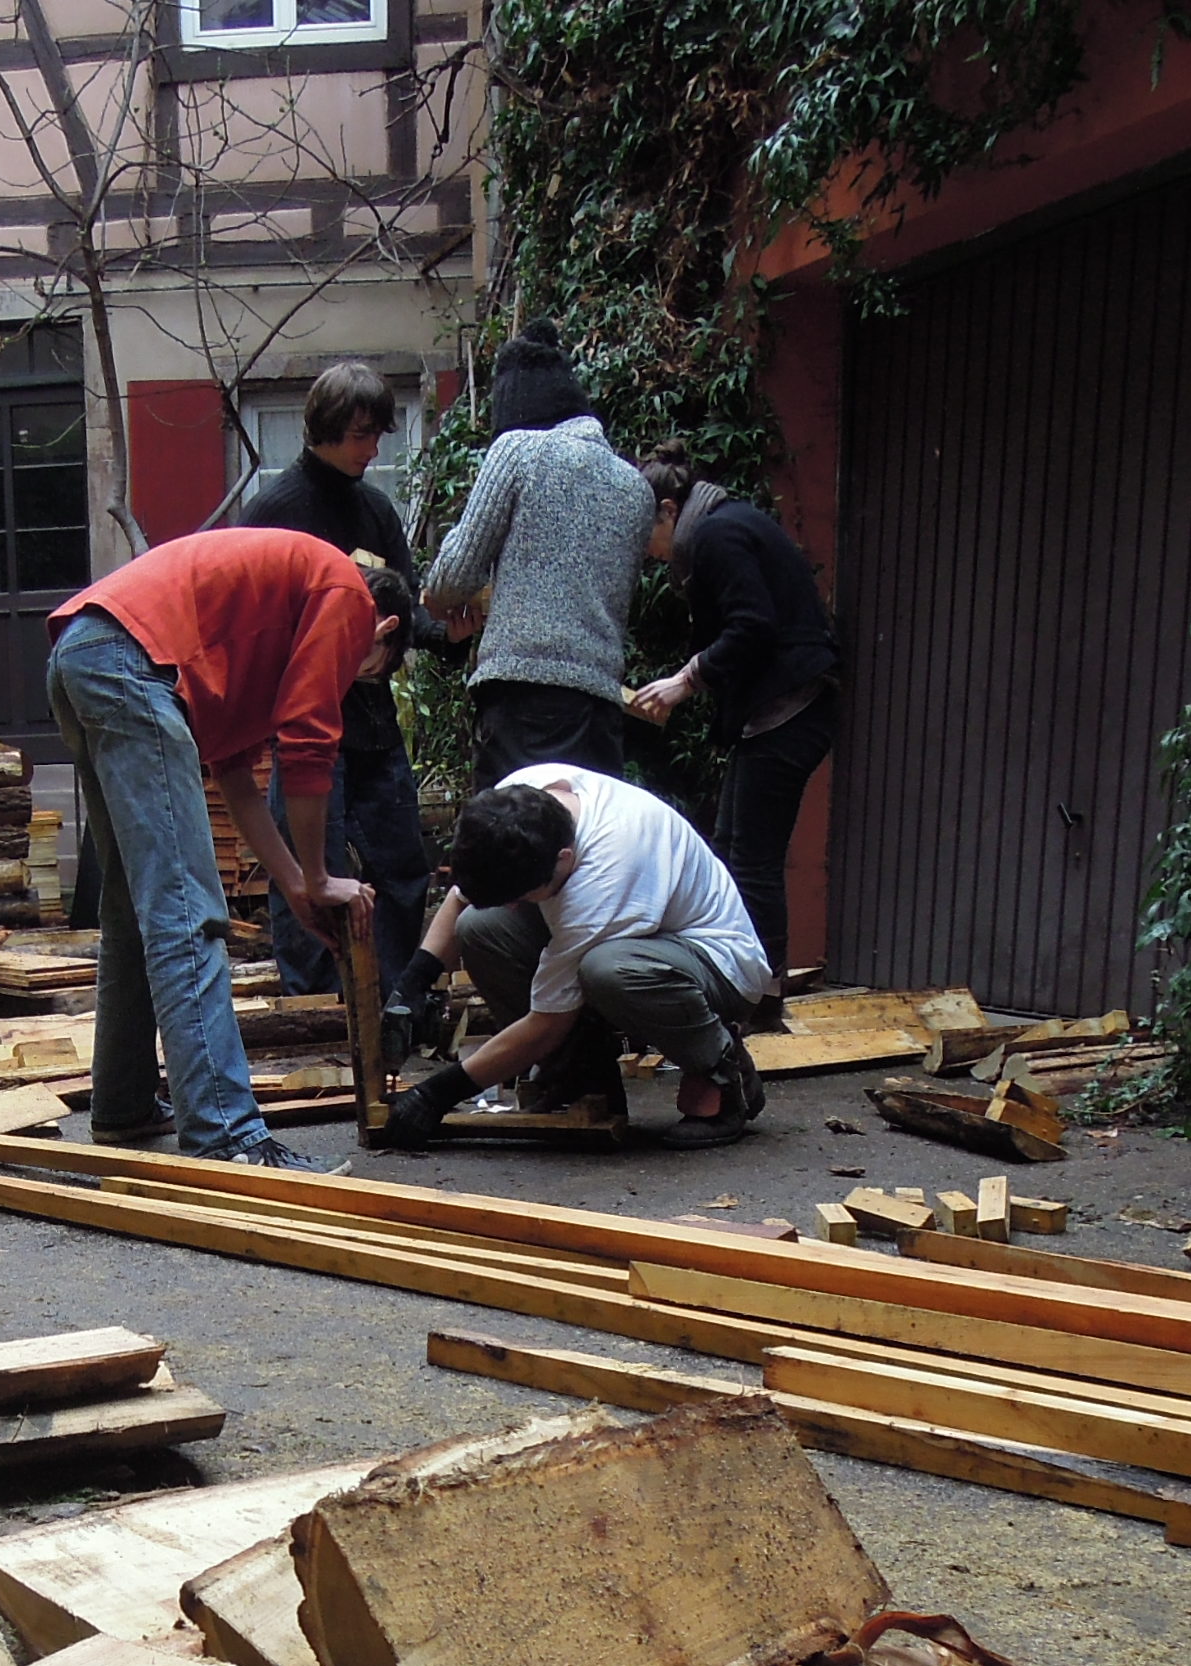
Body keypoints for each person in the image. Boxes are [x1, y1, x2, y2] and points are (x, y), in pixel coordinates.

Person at [48, 525, 410, 1172]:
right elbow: (308, 740)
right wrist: (322, 876)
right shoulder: (346, 595)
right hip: (127, 659)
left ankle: (124, 1105)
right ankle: (228, 1136)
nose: (351, 680)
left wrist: (296, 885)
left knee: (134, 906)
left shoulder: (265, 637)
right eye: (367, 672)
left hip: (88, 651)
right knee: (187, 909)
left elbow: (237, 780)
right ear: (382, 631)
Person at [377, 764, 771, 1151]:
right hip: (633, 941)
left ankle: (723, 1073)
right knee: (480, 927)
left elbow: (547, 1023)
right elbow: (461, 899)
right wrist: (413, 985)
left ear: (564, 859)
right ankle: (581, 1080)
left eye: (521, 896)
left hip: (717, 967)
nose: (513, 906)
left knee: (609, 970)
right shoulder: (519, 800)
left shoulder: (604, 877)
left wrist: (436, 1094)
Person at [238, 361, 446, 996]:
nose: (373, 449)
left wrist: (447, 636)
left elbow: (407, 608)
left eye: (379, 434)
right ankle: (318, 1010)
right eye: (361, 435)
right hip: (306, 721)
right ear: (323, 428)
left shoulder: (376, 508)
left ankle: (394, 1005)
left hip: (375, 723)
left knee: (403, 868)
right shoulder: (273, 511)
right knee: (311, 874)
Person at [627, 441, 837, 987]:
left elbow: (752, 625)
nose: (647, 550)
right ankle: (738, 981)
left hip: (790, 708)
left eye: (645, 534)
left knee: (752, 861)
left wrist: (686, 680)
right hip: (774, 711)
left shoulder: (717, 535)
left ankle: (761, 991)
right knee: (728, 852)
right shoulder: (724, 525)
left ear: (669, 511)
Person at [420, 321, 654, 786]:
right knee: (587, 828)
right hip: (600, 704)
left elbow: (451, 579)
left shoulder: (518, 451)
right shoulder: (636, 487)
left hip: (523, 696)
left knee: (513, 830)